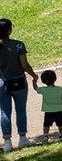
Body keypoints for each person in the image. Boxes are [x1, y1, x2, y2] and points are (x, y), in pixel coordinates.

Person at [0, 18, 39, 151]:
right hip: (18, 81)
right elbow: (25, 65)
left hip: (1, 83)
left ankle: (7, 142)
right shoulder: (18, 45)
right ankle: (22, 138)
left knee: (5, 111)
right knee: (20, 110)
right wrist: (34, 75)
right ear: (9, 30)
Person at [35, 70, 62, 142]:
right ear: (55, 79)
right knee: (61, 124)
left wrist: (34, 81)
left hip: (48, 111)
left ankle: (46, 135)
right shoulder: (60, 89)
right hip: (59, 110)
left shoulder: (43, 90)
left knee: (46, 124)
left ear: (43, 81)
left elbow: (36, 89)